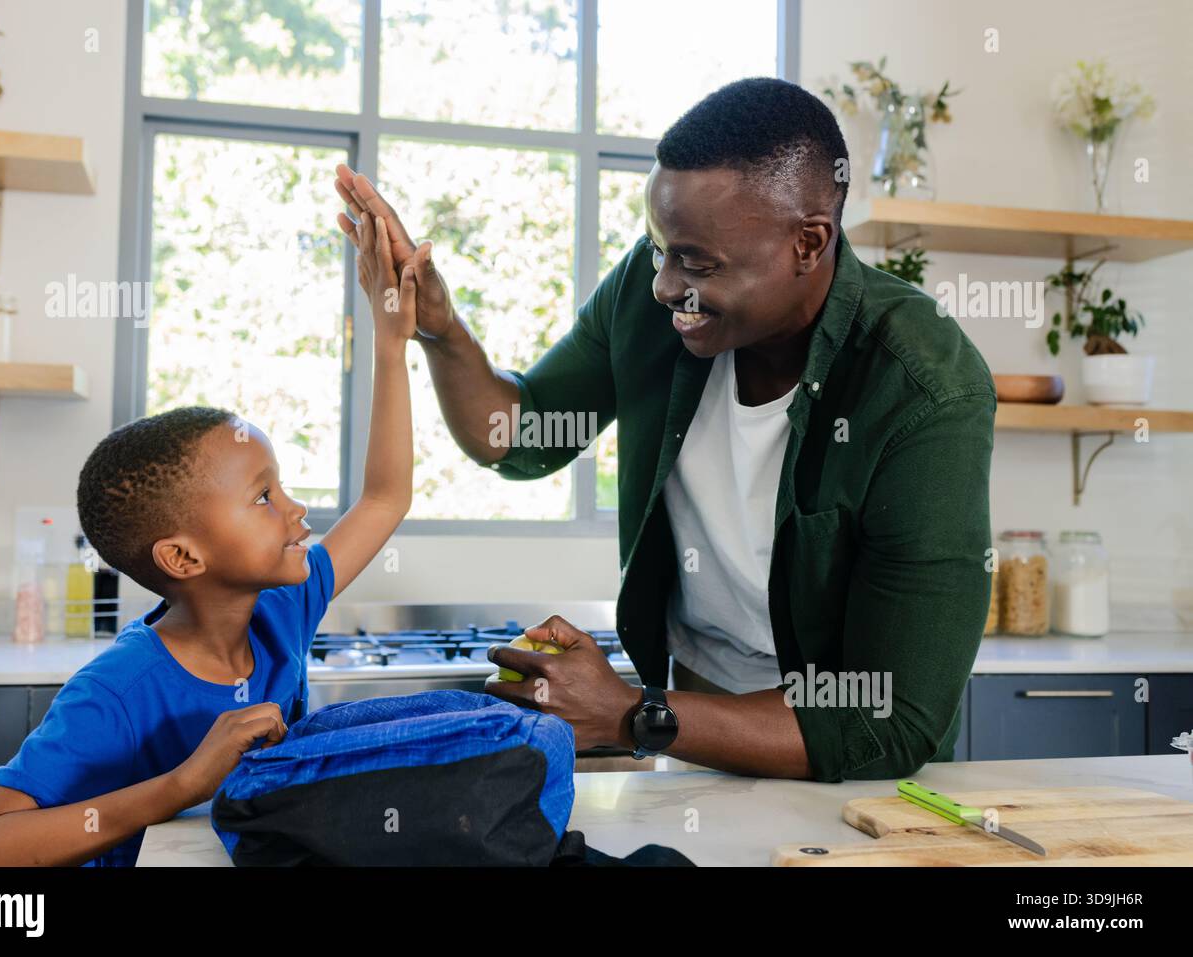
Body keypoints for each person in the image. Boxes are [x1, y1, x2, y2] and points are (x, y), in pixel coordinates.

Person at [333, 77, 996, 782]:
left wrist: (631, 714)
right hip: (696, 730)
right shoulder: (656, 301)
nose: (661, 284)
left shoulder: (924, 388)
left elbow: (891, 717)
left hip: (850, 770)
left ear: (808, 243)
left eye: (695, 262)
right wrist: (437, 325)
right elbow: (516, 434)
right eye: (658, 249)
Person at [0, 213, 418, 865]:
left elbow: (386, 496)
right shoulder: (117, 691)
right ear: (185, 556)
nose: (295, 507)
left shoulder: (282, 610)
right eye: (263, 496)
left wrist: (390, 342)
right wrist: (182, 783)